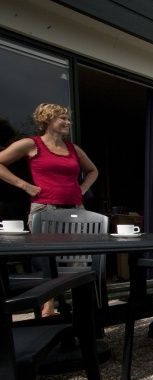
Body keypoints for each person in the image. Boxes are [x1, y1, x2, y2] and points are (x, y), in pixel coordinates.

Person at [0, 103, 99, 316]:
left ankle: (82, 312)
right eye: (62, 118)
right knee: (49, 260)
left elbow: (93, 171)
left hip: (76, 210)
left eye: (68, 119)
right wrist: (24, 185)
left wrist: (81, 189)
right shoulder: (31, 144)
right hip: (45, 208)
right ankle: (49, 307)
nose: (67, 122)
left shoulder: (73, 149)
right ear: (47, 120)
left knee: (78, 261)